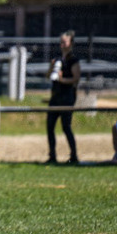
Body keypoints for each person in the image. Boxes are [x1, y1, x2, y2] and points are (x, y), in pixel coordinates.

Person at [45, 30, 80, 165]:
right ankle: (52, 155)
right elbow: (48, 76)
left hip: (67, 97)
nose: (62, 44)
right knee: (50, 127)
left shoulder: (73, 60)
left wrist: (61, 79)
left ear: (71, 43)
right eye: (61, 42)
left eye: (64, 42)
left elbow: (76, 79)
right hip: (55, 97)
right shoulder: (57, 59)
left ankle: (74, 155)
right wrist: (51, 67)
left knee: (66, 127)